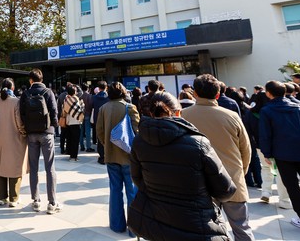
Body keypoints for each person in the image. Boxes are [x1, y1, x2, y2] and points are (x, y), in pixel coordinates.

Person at [128, 92, 236, 240]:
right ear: (179, 112)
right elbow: (225, 189)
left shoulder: (139, 141)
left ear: (151, 114)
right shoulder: (198, 143)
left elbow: (137, 179)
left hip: (158, 222)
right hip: (197, 225)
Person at [181, 74, 254, 241]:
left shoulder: (183, 116)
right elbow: (246, 150)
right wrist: (240, 173)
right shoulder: (232, 116)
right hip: (232, 179)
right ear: (218, 94)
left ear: (195, 93)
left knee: (208, 232)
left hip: (199, 183)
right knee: (242, 229)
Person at [259, 80, 300, 234]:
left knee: (292, 187)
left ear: (268, 93)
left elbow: (265, 135)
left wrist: (267, 153)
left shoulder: (267, 110)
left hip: (282, 154)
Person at [96, 81, 140, 234]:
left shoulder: (103, 109)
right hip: (129, 156)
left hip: (110, 155)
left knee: (115, 190)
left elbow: (99, 131)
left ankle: (116, 225)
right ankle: (133, 228)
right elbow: (137, 132)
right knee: (132, 192)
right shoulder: (130, 107)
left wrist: (107, 144)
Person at [19, 68, 61, 214]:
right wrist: (53, 127)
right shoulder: (48, 92)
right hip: (46, 133)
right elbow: (54, 111)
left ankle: (36, 200)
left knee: (34, 167)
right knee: (50, 167)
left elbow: (22, 114)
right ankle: (52, 202)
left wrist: (28, 126)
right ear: (41, 79)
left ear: (31, 80)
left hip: (31, 134)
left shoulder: (26, 94)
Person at [0, 78, 27, 207]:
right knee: (15, 166)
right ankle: (14, 198)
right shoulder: (16, 101)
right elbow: (19, 122)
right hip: (14, 138)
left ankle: (2, 197)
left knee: (1, 166)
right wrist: (24, 133)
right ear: (12, 88)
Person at [63, 84, 83, 161]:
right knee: (75, 140)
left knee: (70, 139)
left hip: (68, 122)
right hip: (76, 122)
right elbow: (80, 111)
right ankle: (74, 156)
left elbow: (64, 110)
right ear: (74, 92)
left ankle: (70, 154)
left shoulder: (66, 100)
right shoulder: (76, 99)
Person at [93, 81, 110, 164]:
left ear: (98, 88)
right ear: (106, 87)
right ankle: (108, 155)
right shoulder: (109, 98)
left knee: (100, 137)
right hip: (107, 119)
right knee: (108, 137)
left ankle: (101, 156)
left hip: (97, 119)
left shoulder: (94, 97)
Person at [79, 84, 94, 152]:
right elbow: (91, 106)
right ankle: (88, 147)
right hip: (88, 115)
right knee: (88, 132)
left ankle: (82, 146)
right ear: (88, 88)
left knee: (81, 132)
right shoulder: (89, 96)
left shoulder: (80, 96)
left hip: (81, 115)